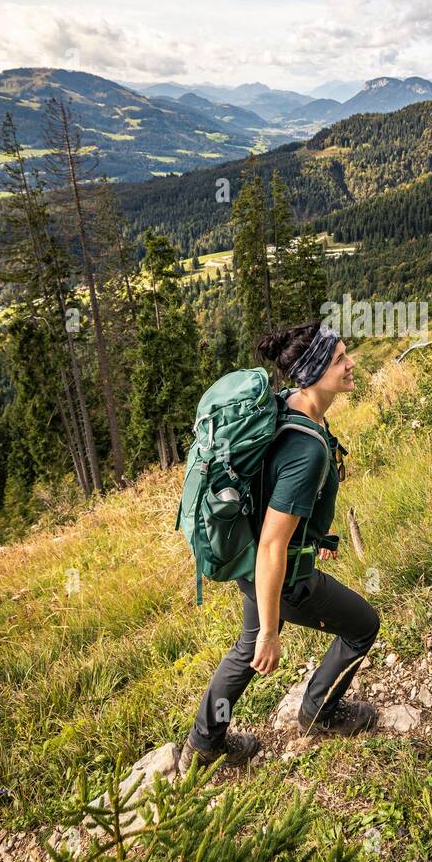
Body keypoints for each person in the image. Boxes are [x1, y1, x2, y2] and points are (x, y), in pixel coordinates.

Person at [179, 321, 380, 774]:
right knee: (363, 625)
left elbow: (277, 502)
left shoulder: (289, 406)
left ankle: (204, 742)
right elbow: (273, 544)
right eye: (338, 360)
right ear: (311, 375)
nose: (351, 364)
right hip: (279, 574)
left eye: (346, 354)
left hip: (250, 564)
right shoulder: (306, 450)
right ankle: (318, 714)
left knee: (245, 650)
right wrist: (273, 629)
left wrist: (318, 537)